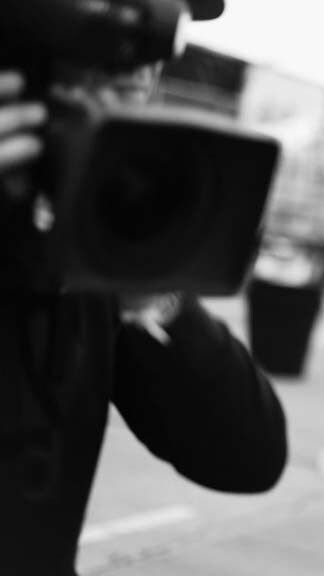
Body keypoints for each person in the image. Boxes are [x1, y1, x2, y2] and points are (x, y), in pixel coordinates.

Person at [0, 1, 288, 574]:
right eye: (111, 31)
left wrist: (149, 289)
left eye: (159, 40)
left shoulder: (90, 232)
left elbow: (246, 456)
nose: (138, 67)